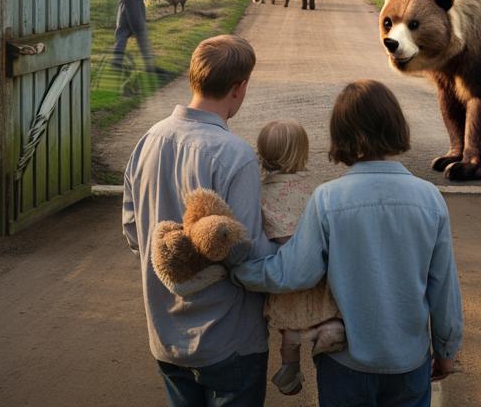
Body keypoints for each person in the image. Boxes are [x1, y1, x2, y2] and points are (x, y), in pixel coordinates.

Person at [233, 80, 463, 407]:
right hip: (409, 360)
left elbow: (295, 274)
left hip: (346, 362)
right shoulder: (430, 199)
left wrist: (239, 271)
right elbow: (443, 288)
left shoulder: (327, 200)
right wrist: (446, 349)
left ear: (341, 135)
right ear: (397, 126)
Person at [122, 34, 276, 407]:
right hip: (228, 335)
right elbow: (246, 252)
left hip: (165, 333)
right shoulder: (234, 155)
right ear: (239, 89)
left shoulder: (148, 140)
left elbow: (132, 231)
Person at [254, 119, 345, 396]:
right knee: (324, 314)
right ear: (302, 153)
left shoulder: (259, 193)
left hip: (283, 275)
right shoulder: (316, 190)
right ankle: (327, 336)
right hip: (316, 275)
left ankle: (290, 366)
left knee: (289, 332)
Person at [114, 0, 155, 72]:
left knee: (122, 36)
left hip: (129, 11)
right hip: (132, 11)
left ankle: (117, 62)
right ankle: (148, 65)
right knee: (134, 36)